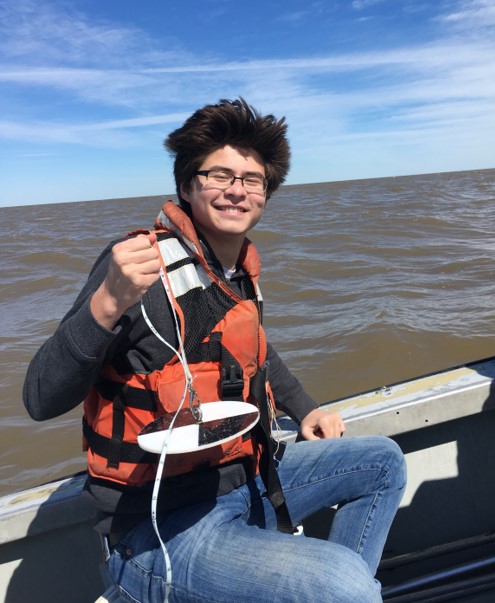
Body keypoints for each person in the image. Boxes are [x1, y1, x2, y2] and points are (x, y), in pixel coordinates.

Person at [23, 98, 406, 603]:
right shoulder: (139, 269)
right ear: (185, 185)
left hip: (244, 482)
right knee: (339, 582)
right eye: (218, 175)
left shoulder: (236, 271)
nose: (236, 190)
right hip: (159, 530)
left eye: (252, 179)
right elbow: (40, 397)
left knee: (383, 462)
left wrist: (305, 408)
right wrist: (107, 303)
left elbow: (256, 354)